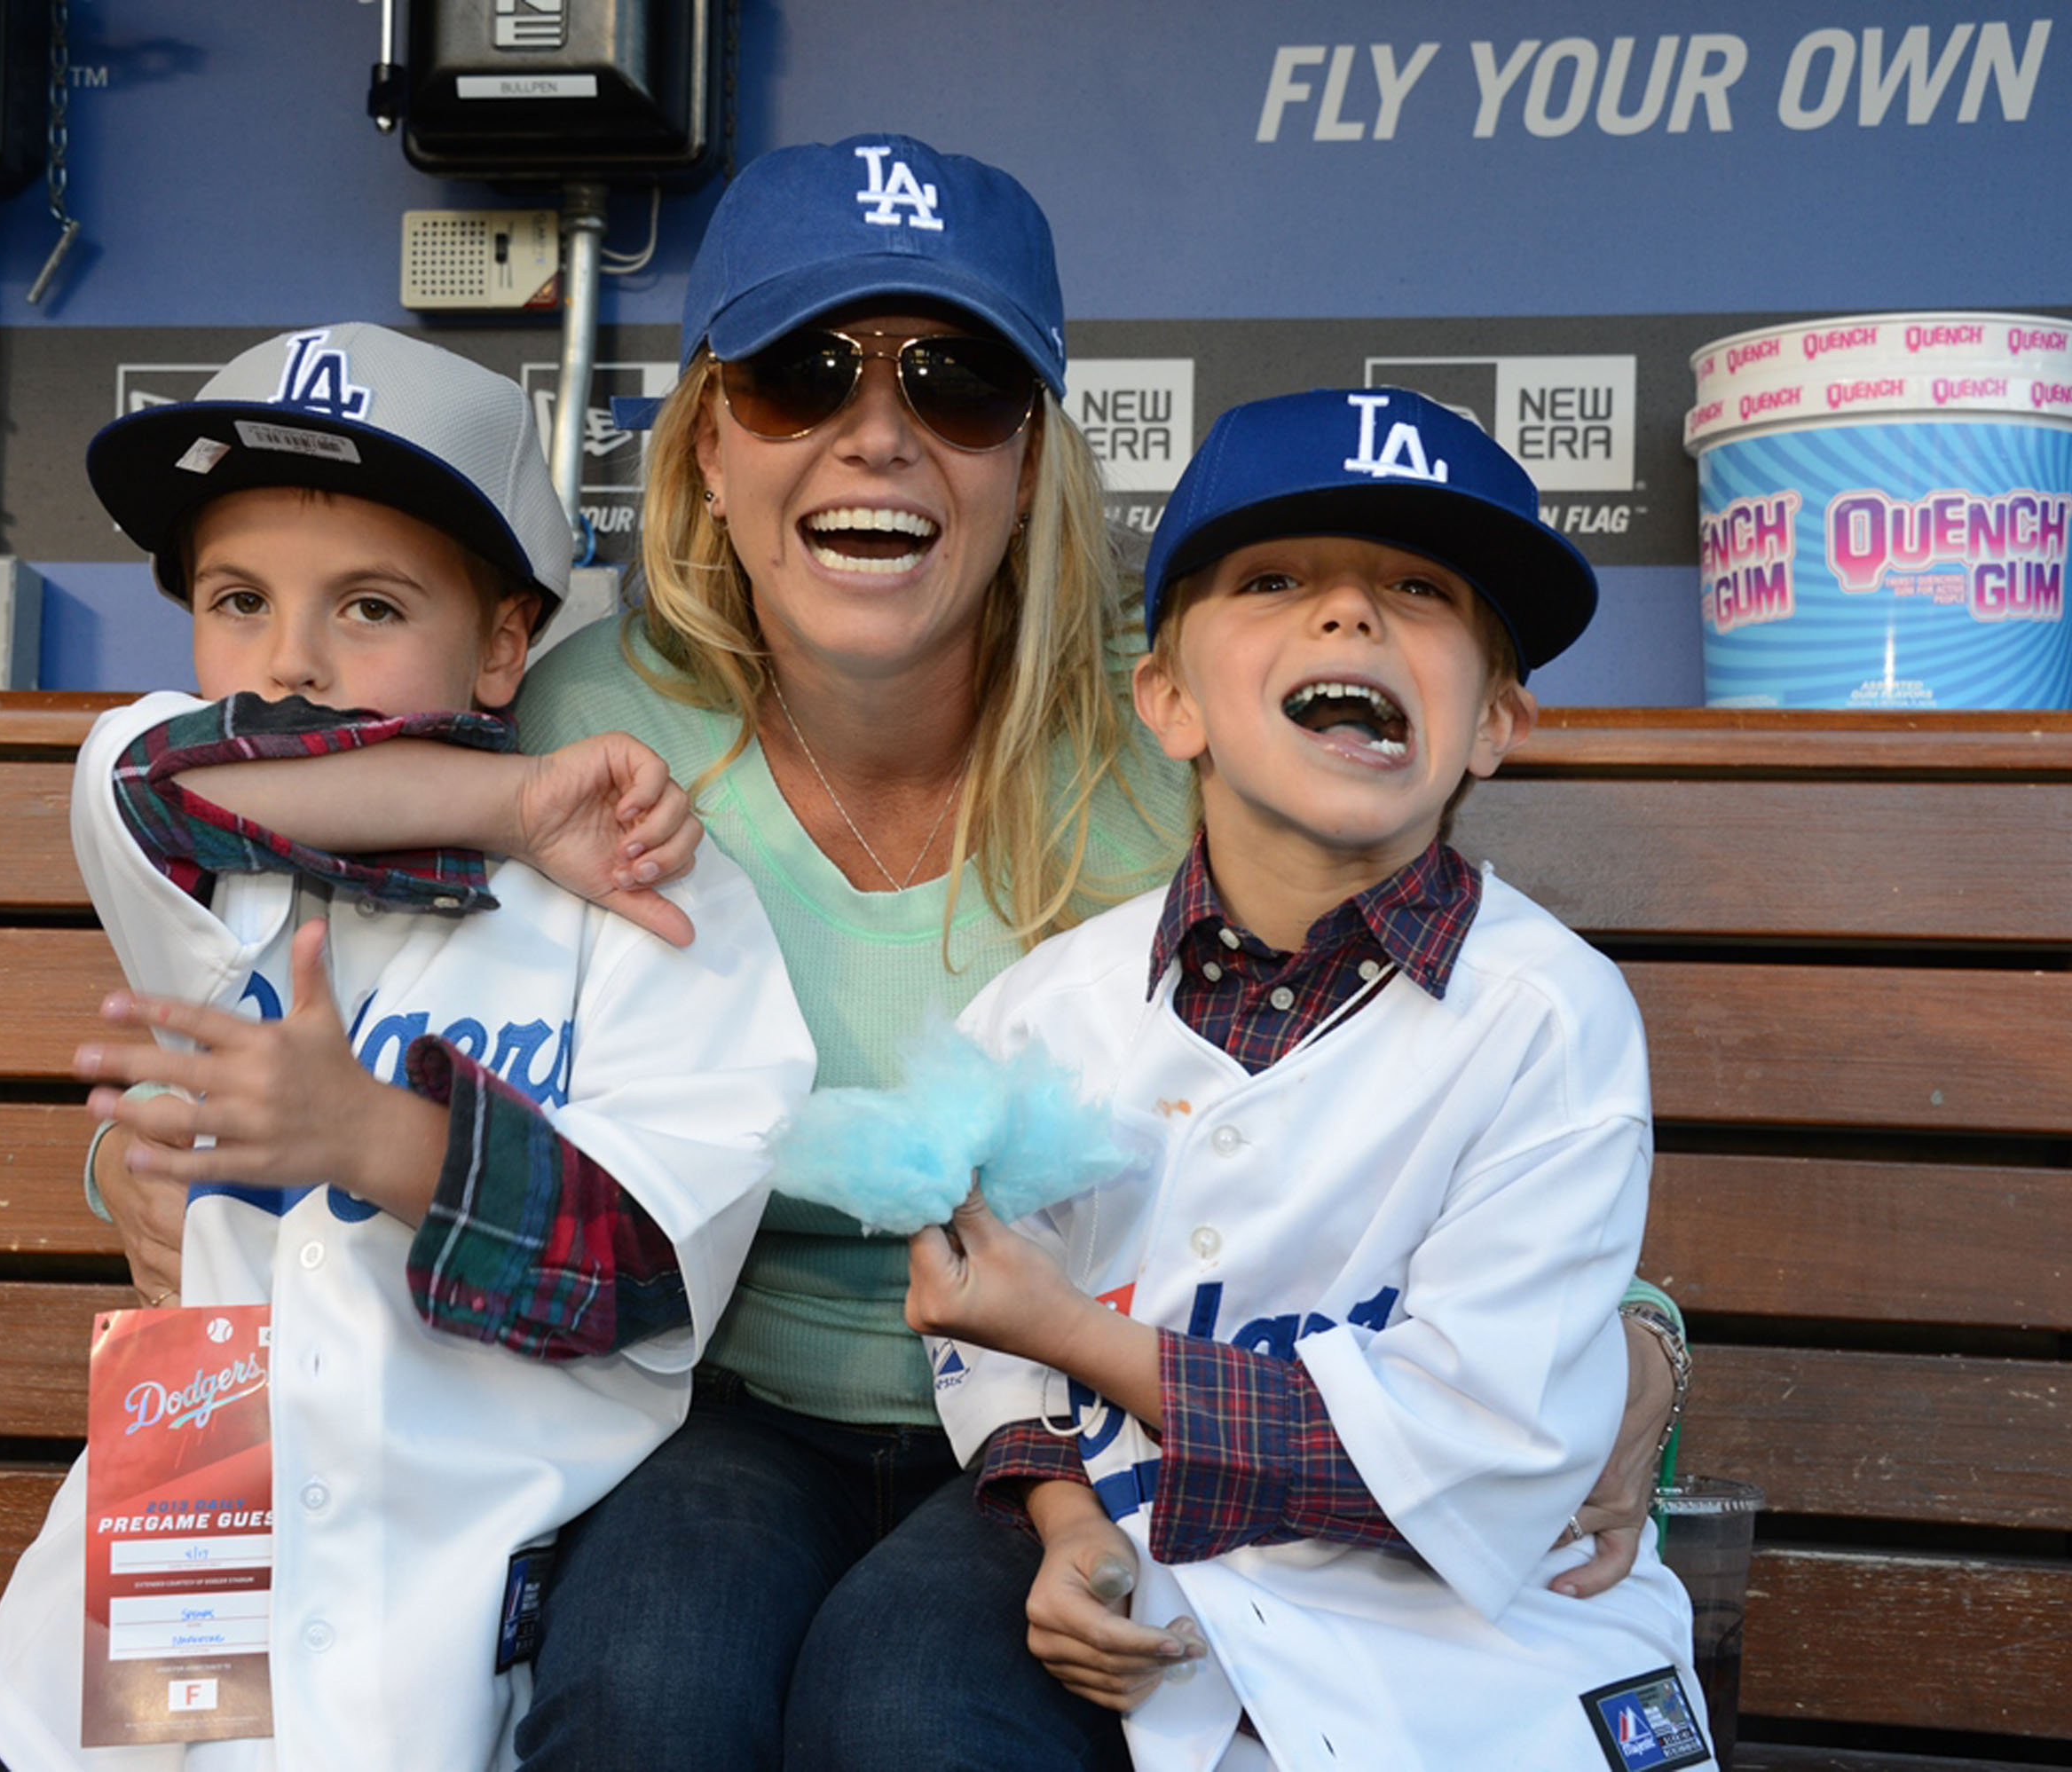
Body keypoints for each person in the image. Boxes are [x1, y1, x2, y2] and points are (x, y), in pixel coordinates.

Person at [492, 138, 1684, 1772]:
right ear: (707, 445)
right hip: (733, 1400)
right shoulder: (588, 728)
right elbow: (401, 1022)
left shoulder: (1191, 743)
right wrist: (154, 1161)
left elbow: (1418, 1092)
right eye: (800, 373)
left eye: (962, 381)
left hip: (1114, 1429)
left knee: (913, 1707)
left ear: (1037, 459)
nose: (880, 433)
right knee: (648, 1694)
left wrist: (1639, 1339)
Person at [0, 323, 817, 1772]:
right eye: (238, 599)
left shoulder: (658, 897)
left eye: (367, 605)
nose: (288, 659)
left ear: (499, 641)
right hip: (153, 1591)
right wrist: (515, 803)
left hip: (443, 1627)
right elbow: (167, 771)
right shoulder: (189, 835)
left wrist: (373, 1141)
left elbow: (649, 1268)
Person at [906, 386, 1710, 1769]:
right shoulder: (1044, 1007)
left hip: (1489, 1655)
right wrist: (1067, 1518)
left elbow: (1476, 1454)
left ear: (1495, 722)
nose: (1351, 618)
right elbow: (983, 1337)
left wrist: (1091, 1340)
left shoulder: (1553, 1013)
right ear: (1167, 699)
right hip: (1171, 1614)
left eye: (1420, 587)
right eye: (1275, 580)